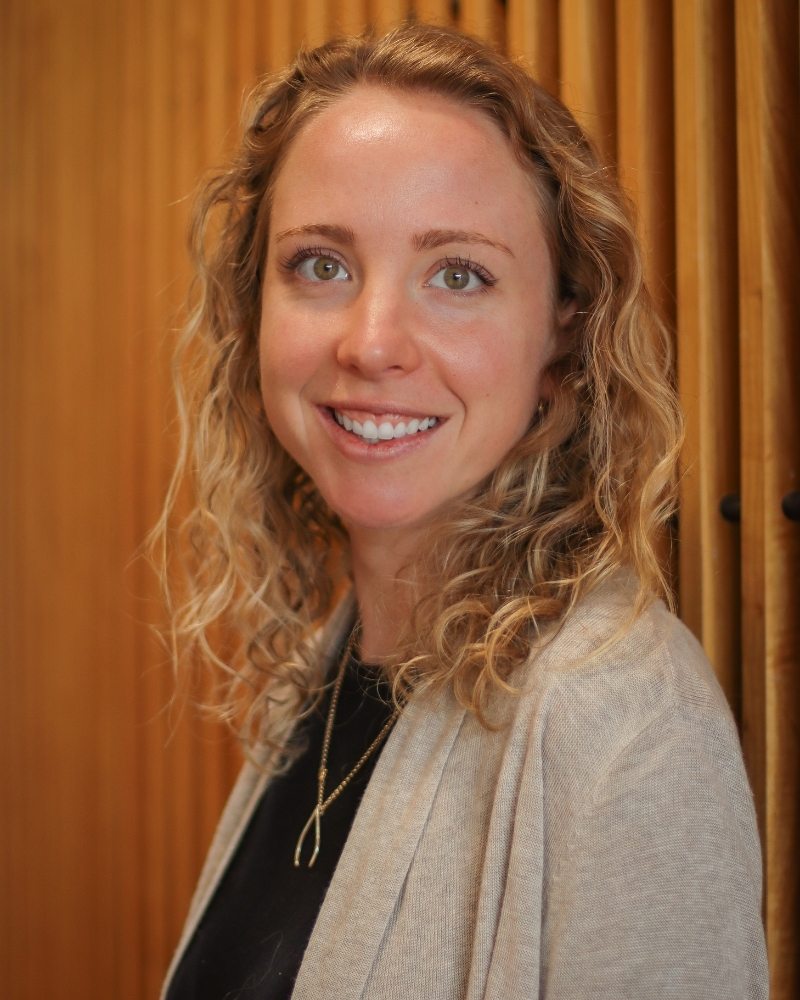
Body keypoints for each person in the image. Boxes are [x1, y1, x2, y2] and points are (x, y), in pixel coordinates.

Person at [155, 23, 768, 1000]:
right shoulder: (329, 668)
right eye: (320, 264)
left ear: (560, 339)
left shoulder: (618, 724)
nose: (371, 342)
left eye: (457, 274)